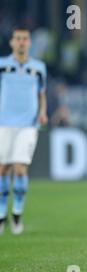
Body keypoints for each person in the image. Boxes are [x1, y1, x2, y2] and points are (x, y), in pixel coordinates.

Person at [0, 27, 48, 235]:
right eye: (18, 39)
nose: (21, 42)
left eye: (25, 39)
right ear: (11, 42)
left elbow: (41, 94)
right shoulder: (2, 65)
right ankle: (2, 215)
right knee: (2, 169)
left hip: (28, 124)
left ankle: (17, 214)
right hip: (3, 123)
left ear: (29, 43)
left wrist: (43, 113)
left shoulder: (38, 68)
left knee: (19, 168)